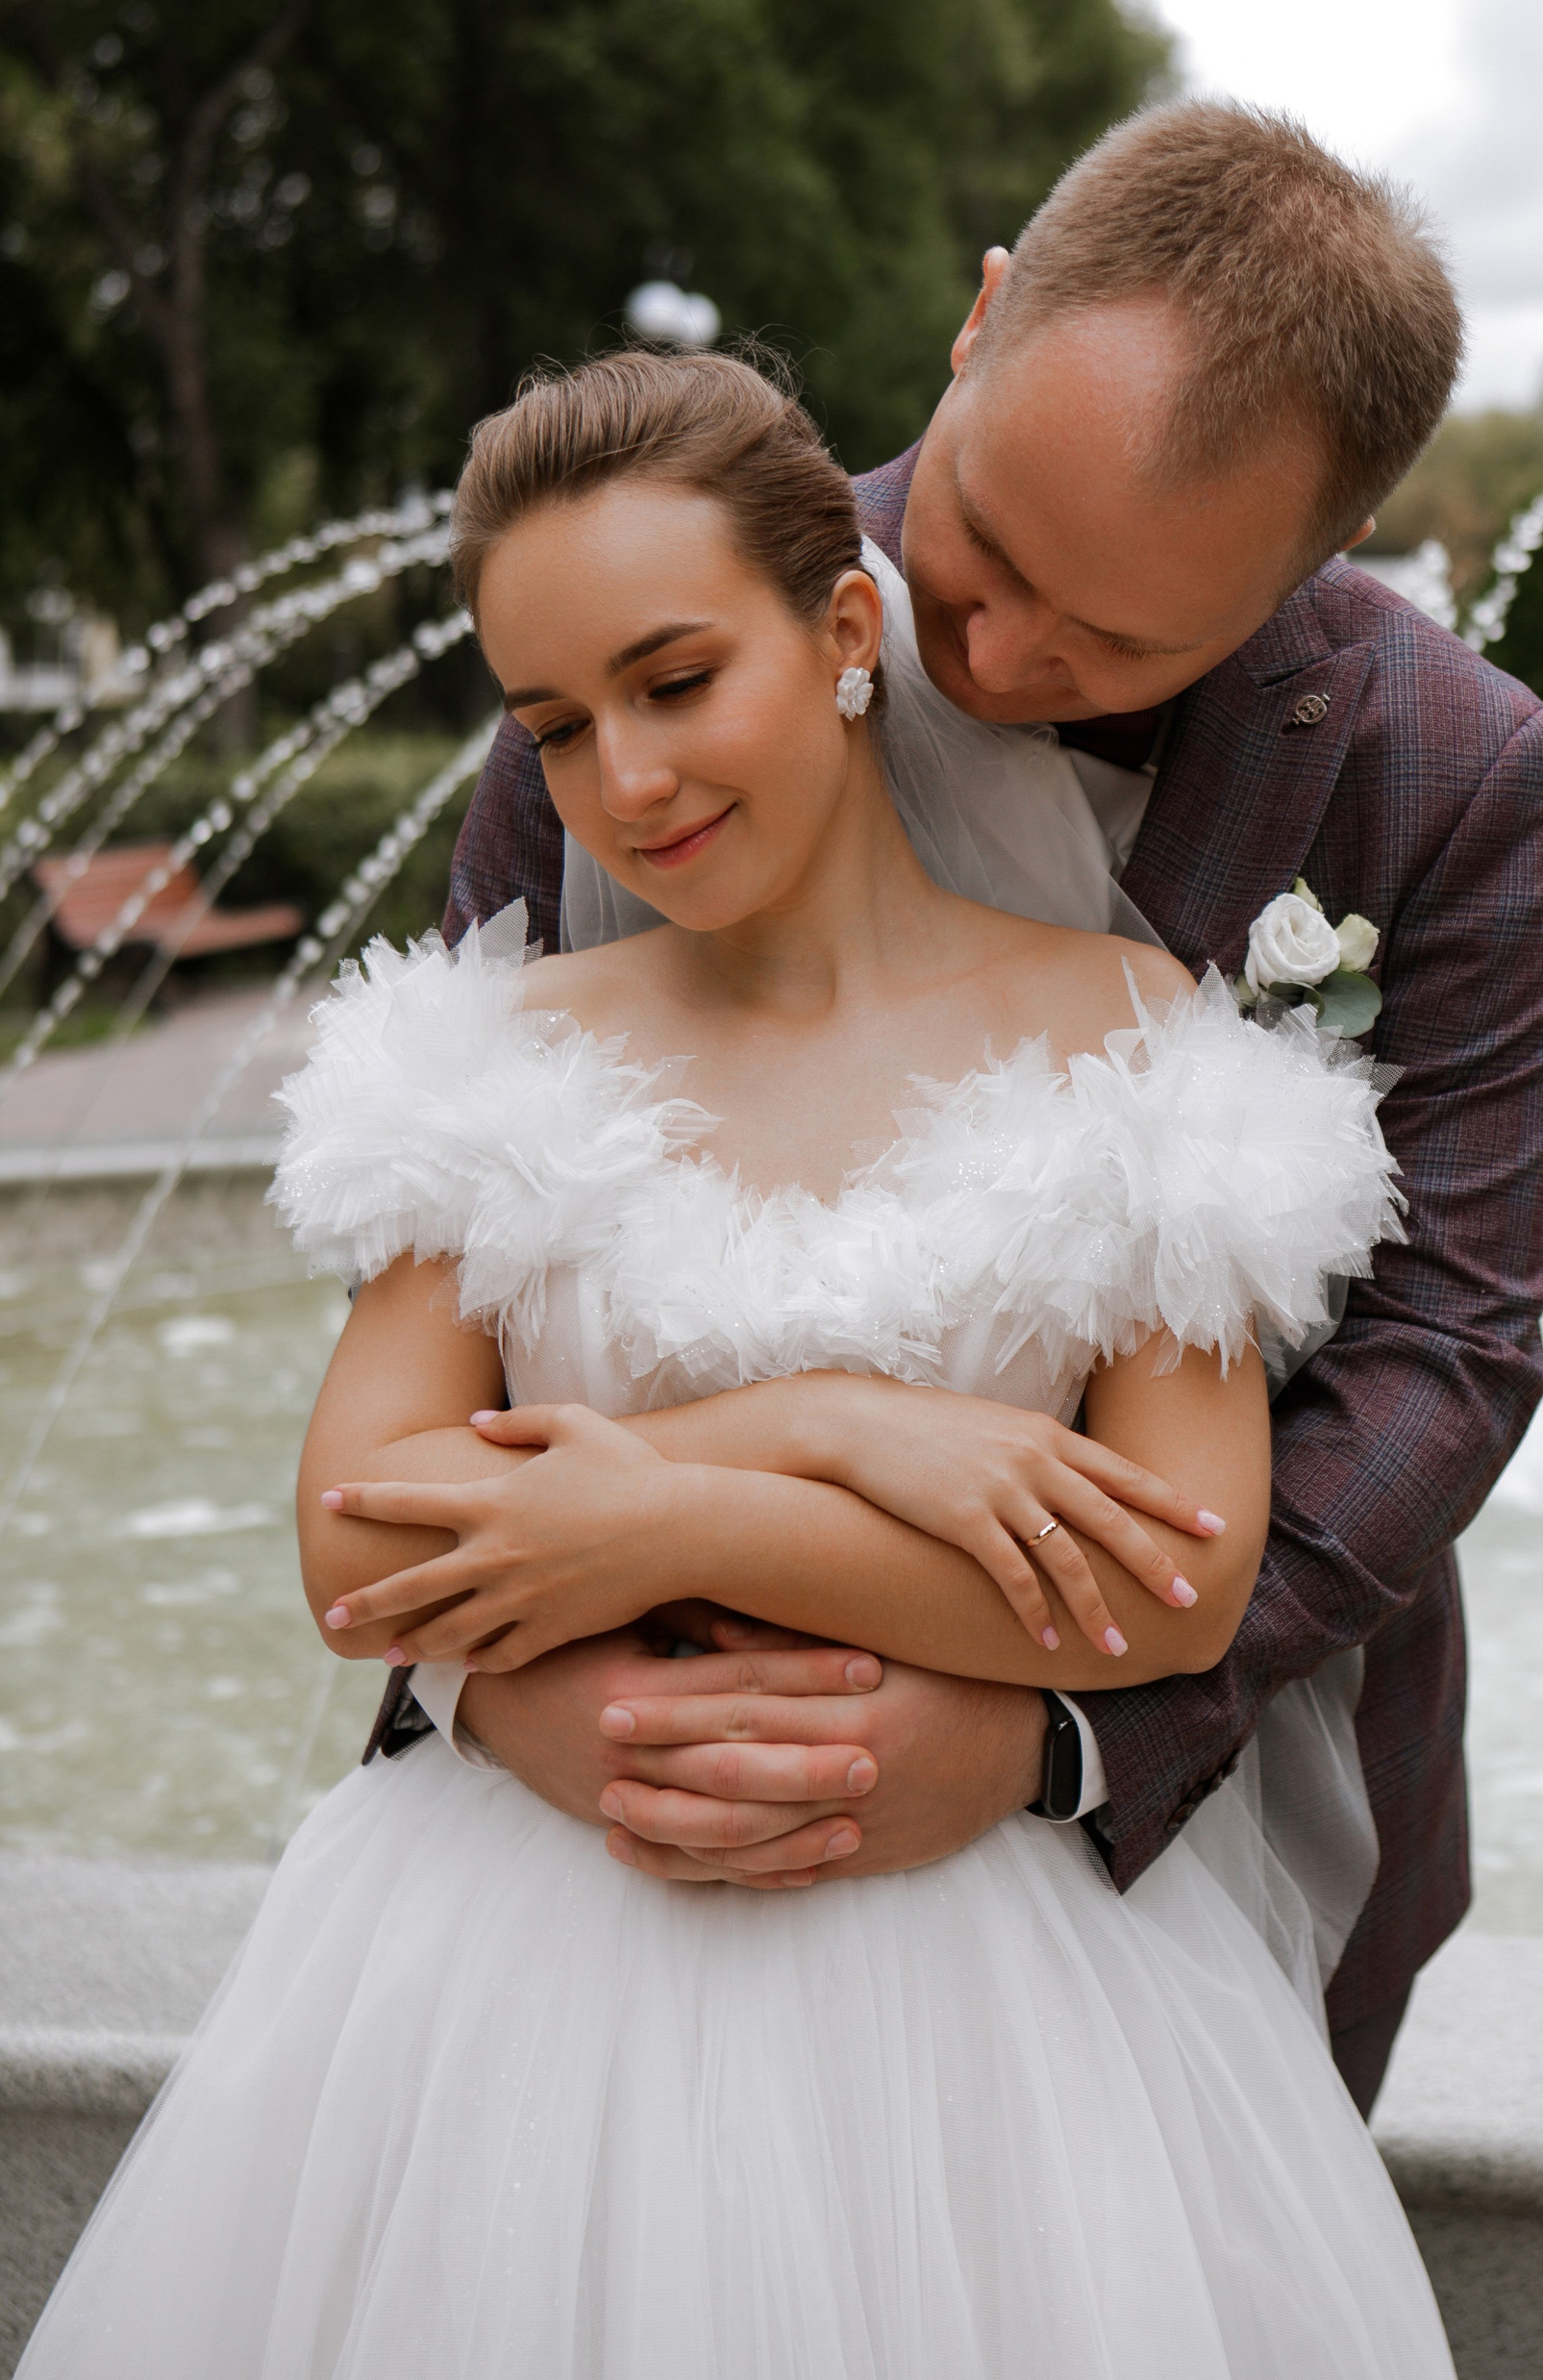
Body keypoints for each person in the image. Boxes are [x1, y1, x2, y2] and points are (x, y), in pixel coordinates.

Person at [24, 344, 1456, 2378]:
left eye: (677, 681)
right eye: (556, 723)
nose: (625, 781)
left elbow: (1171, 1584)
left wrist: (658, 1518)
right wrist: (830, 1429)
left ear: (848, 629)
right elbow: (361, 1553)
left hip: (997, 2018)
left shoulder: (1139, 1037)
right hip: (505, 1985)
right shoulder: (493, 1056)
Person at [386, 101, 1543, 2117]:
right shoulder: (653, 630)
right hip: (602, 1763)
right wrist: (511, 1688)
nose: (1004, 657)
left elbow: (1447, 1349)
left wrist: (1054, 1738)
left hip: (1195, 1787)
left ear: (1323, 553)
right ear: (983, 318)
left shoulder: (1454, 777)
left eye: (1119, 636)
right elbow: (449, 1233)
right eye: (986, 553)